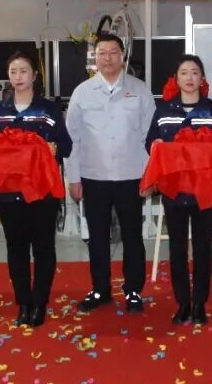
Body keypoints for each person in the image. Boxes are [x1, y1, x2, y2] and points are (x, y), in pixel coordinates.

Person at [66, 33, 156, 314]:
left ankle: (133, 291)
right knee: (97, 237)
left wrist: (150, 176)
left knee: (133, 236)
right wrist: (73, 177)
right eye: (102, 53)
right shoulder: (82, 92)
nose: (108, 58)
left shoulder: (140, 90)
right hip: (94, 176)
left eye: (113, 52)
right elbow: (72, 139)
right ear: (95, 58)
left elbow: (151, 138)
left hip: (132, 175)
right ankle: (100, 289)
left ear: (123, 55)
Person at [0, 51, 71, 327]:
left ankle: (40, 302)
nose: (18, 77)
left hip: (42, 191)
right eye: (13, 72)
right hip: (8, 193)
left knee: (43, 247)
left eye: (23, 71)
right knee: (16, 248)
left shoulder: (48, 110)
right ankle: (23, 303)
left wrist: (53, 148)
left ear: (34, 76)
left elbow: (66, 145)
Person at [145, 55, 212, 325]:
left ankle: (199, 303)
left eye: (195, 72)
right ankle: (183, 302)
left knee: (204, 248)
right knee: (178, 249)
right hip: (174, 191)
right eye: (184, 72)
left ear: (202, 78)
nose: (190, 78)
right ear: (176, 78)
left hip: (204, 191)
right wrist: (156, 145)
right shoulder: (164, 110)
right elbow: (150, 142)